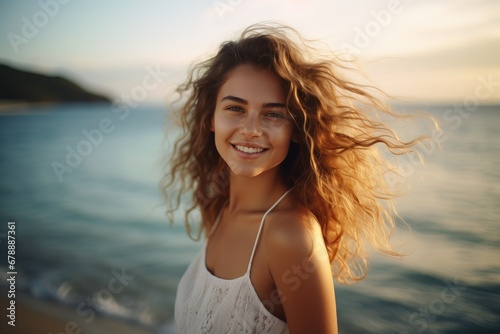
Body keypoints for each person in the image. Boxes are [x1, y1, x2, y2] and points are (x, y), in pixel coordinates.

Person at [162, 23, 425, 334]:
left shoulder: (290, 237)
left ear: (297, 129)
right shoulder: (219, 206)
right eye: (235, 108)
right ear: (210, 118)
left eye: (273, 114)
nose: (251, 129)